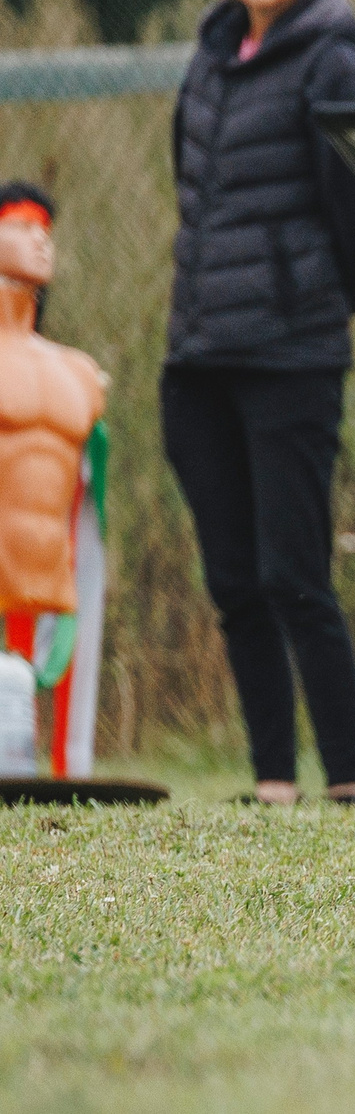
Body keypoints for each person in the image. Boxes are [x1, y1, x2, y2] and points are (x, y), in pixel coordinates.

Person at [163, 0, 355, 806]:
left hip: (291, 355)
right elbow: (192, 189)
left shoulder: (333, 56)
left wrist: (315, 300)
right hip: (198, 354)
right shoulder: (212, 54)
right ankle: (271, 780)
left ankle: (345, 778)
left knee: (295, 574)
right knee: (233, 579)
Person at [0, 185, 110, 774]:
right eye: (22, 225)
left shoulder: (79, 372)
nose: (41, 239)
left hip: (55, 579)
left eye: (46, 229)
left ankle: (69, 763)